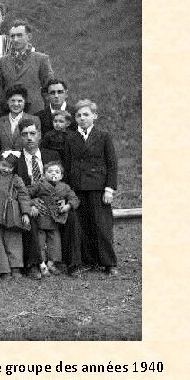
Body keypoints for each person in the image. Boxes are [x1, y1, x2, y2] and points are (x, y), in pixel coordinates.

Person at [13, 117, 77, 278]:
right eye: (25, 134)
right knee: (30, 217)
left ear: (39, 135)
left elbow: (63, 179)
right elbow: (14, 188)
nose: (29, 137)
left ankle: (70, 262)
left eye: (33, 133)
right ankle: (34, 264)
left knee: (72, 217)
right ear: (20, 137)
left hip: (54, 202)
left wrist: (63, 199)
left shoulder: (52, 155)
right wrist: (31, 203)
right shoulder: (15, 160)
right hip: (30, 202)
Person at [69, 99, 119, 276]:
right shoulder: (71, 137)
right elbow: (68, 164)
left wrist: (109, 188)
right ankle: (84, 261)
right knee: (79, 226)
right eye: (78, 115)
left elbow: (111, 164)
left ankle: (108, 262)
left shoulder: (103, 136)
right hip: (77, 188)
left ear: (94, 116)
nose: (82, 118)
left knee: (101, 225)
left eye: (86, 115)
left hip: (98, 187)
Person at [28, 161, 80, 277]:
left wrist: (68, 205)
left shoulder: (65, 187)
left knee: (55, 244)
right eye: (50, 172)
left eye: (57, 172)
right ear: (44, 174)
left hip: (56, 221)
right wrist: (33, 203)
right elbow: (25, 194)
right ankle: (42, 264)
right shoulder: (40, 185)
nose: (53, 174)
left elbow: (74, 199)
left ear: (61, 176)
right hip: (42, 220)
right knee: (40, 243)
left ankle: (51, 263)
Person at [0, 20, 54, 113]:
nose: (15, 39)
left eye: (19, 35)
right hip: (8, 112)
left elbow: (49, 88)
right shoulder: (1, 62)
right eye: (12, 36)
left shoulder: (41, 59)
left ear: (29, 37)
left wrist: (47, 111)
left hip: (35, 111)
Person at [0, 85, 38, 152]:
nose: (16, 104)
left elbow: (36, 145)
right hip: (4, 161)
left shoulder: (34, 120)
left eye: (20, 101)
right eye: (13, 101)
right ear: (7, 101)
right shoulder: (1, 120)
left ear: (24, 102)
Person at [40, 110, 75, 175]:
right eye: (55, 121)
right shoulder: (49, 135)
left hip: (68, 165)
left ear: (67, 123)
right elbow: (43, 150)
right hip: (52, 164)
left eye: (61, 121)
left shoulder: (72, 136)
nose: (57, 124)